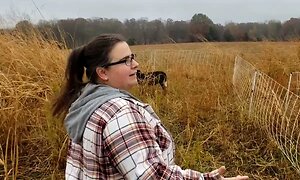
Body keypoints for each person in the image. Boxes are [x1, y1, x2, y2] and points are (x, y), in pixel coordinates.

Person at [52, 34, 249, 180]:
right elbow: (152, 176)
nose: (136, 64)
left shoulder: (86, 104)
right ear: (103, 72)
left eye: (133, 56)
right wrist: (207, 179)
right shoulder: (121, 113)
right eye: (126, 60)